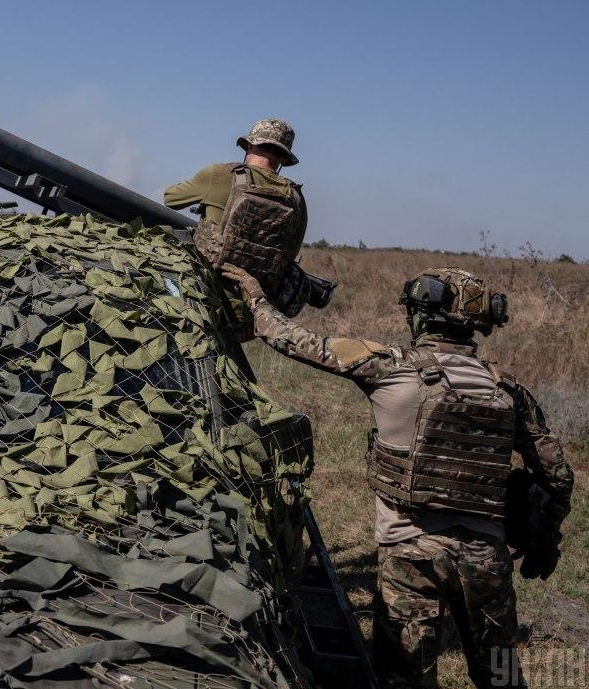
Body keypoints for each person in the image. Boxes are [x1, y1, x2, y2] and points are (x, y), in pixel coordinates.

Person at [223, 263, 574, 689]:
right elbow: (556, 475)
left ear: (421, 315)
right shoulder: (508, 389)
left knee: (403, 677)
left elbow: (291, 340)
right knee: (501, 676)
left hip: (408, 552)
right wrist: (545, 540)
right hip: (486, 557)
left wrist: (255, 296)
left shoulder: (390, 366)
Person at [164, 119, 332, 339]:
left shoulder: (219, 174)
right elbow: (289, 256)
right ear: (283, 158)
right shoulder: (296, 198)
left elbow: (170, 199)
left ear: (249, 145)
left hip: (199, 300)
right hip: (249, 317)